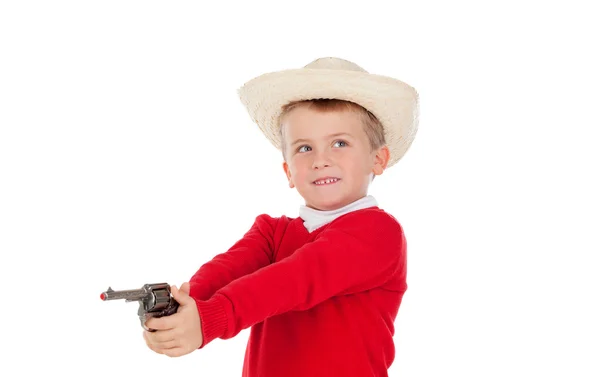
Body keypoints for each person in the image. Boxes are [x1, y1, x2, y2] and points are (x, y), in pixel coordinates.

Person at [143, 57, 420, 377]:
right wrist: (182, 307)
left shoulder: (377, 232)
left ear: (378, 159)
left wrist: (209, 320)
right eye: (305, 148)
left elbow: (297, 278)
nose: (321, 160)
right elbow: (227, 270)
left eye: (339, 143)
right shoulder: (271, 234)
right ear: (288, 171)